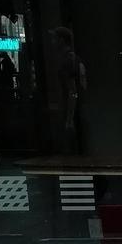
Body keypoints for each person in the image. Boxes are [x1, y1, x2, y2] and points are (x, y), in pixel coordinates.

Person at [47, 26, 87, 155]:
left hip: (71, 110)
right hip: (77, 109)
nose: (52, 42)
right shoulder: (75, 59)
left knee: (71, 151)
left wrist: (69, 118)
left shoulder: (66, 61)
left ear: (62, 40)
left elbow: (72, 90)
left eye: (54, 38)